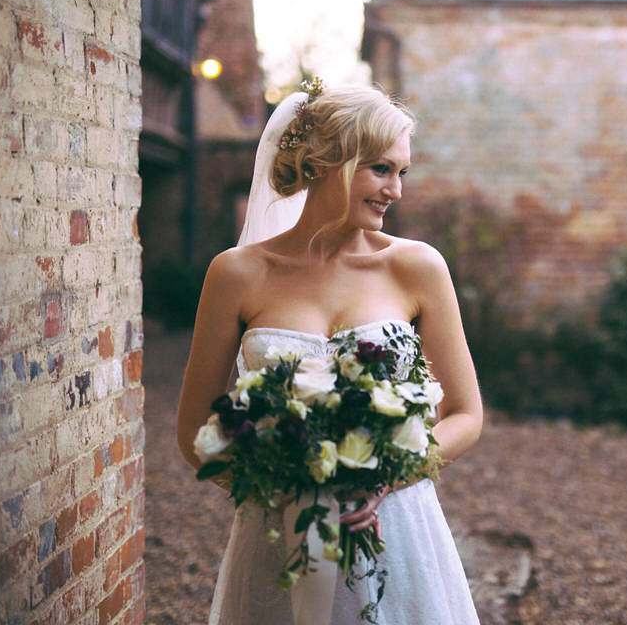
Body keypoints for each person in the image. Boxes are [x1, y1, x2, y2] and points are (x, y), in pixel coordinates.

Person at [176, 80, 483, 624]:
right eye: (380, 169)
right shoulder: (236, 274)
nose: (396, 190)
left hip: (395, 529)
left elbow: (465, 415)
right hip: (277, 538)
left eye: (402, 172)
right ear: (322, 163)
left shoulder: (417, 267)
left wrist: (384, 479)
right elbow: (193, 429)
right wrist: (279, 491)